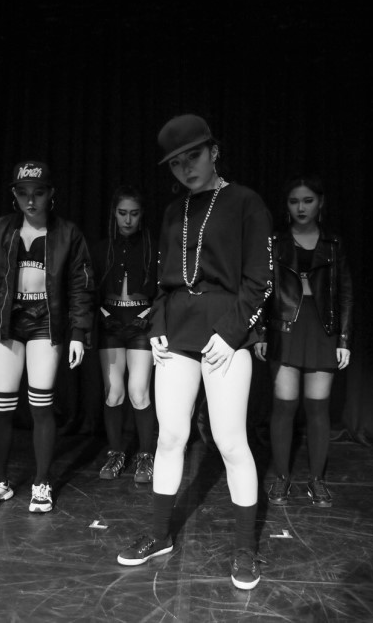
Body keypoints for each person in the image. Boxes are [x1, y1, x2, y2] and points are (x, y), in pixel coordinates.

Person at [116, 114, 273, 590]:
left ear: (214, 151)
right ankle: (159, 534)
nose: (186, 168)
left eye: (194, 156)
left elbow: (261, 280)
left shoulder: (245, 201)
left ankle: (245, 549)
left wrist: (231, 332)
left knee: (230, 440)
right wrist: (157, 326)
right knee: (170, 437)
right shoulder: (172, 211)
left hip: (226, 329)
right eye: (176, 162)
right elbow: (164, 282)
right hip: (178, 329)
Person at [0, 160, 94, 514]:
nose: (30, 200)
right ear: (14, 194)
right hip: (7, 322)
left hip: (45, 322)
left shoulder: (67, 233)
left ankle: (41, 482)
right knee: (1, 406)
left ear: (50, 194)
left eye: (38, 192)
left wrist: (79, 332)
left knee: (41, 405)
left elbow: (81, 285)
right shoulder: (1, 229)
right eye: (23, 192)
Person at [254, 176, 353, 508]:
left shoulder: (333, 243)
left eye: (308, 200)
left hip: (323, 328)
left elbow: (345, 292)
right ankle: (282, 477)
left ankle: (316, 480)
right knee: (284, 405)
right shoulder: (275, 242)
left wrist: (344, 338)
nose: (300, 207)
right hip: (284, 328)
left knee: (318, 407)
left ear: (320, 203)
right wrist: (261, 332)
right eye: (294, 201)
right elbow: (263, 289)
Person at [92, 185, 158, 483]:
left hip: (142, 322)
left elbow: (164, 291)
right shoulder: (101, 248)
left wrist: (148, 316)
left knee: (139, 391)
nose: (128, 220)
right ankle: (116, 452)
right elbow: (88, 290)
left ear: (142, 215)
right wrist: (102, 315)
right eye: (122, 213)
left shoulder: (153, 248)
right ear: (114, 214)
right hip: (111, 322)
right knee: (114, 392)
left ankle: (145, 455)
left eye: (134, 213)